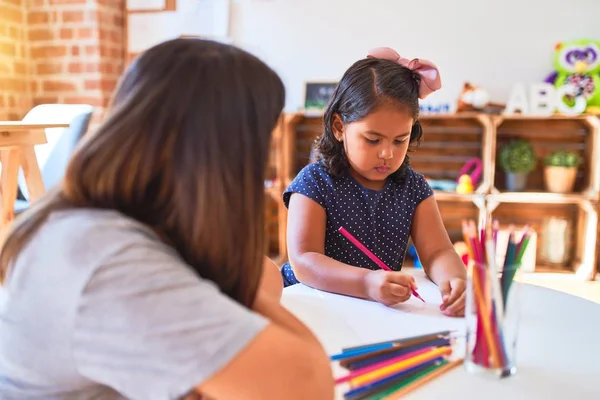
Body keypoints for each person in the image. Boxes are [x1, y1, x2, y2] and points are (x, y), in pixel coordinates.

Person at [0, 38, 334, 400]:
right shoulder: (109, 263)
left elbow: (265, 276)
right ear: (219, 160)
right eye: (257, 151)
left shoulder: (85, 220)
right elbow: (305, 386)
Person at [282, 47, 467, 317]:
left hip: (377, 313)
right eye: (372, 139)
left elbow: (438, 251)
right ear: (339, 127)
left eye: (400, 140)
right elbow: (304, 261)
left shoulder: (412, 188)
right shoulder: (314, 182)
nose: (387, 153)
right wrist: (366, 282)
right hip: (312, 306)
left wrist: (454, 280)